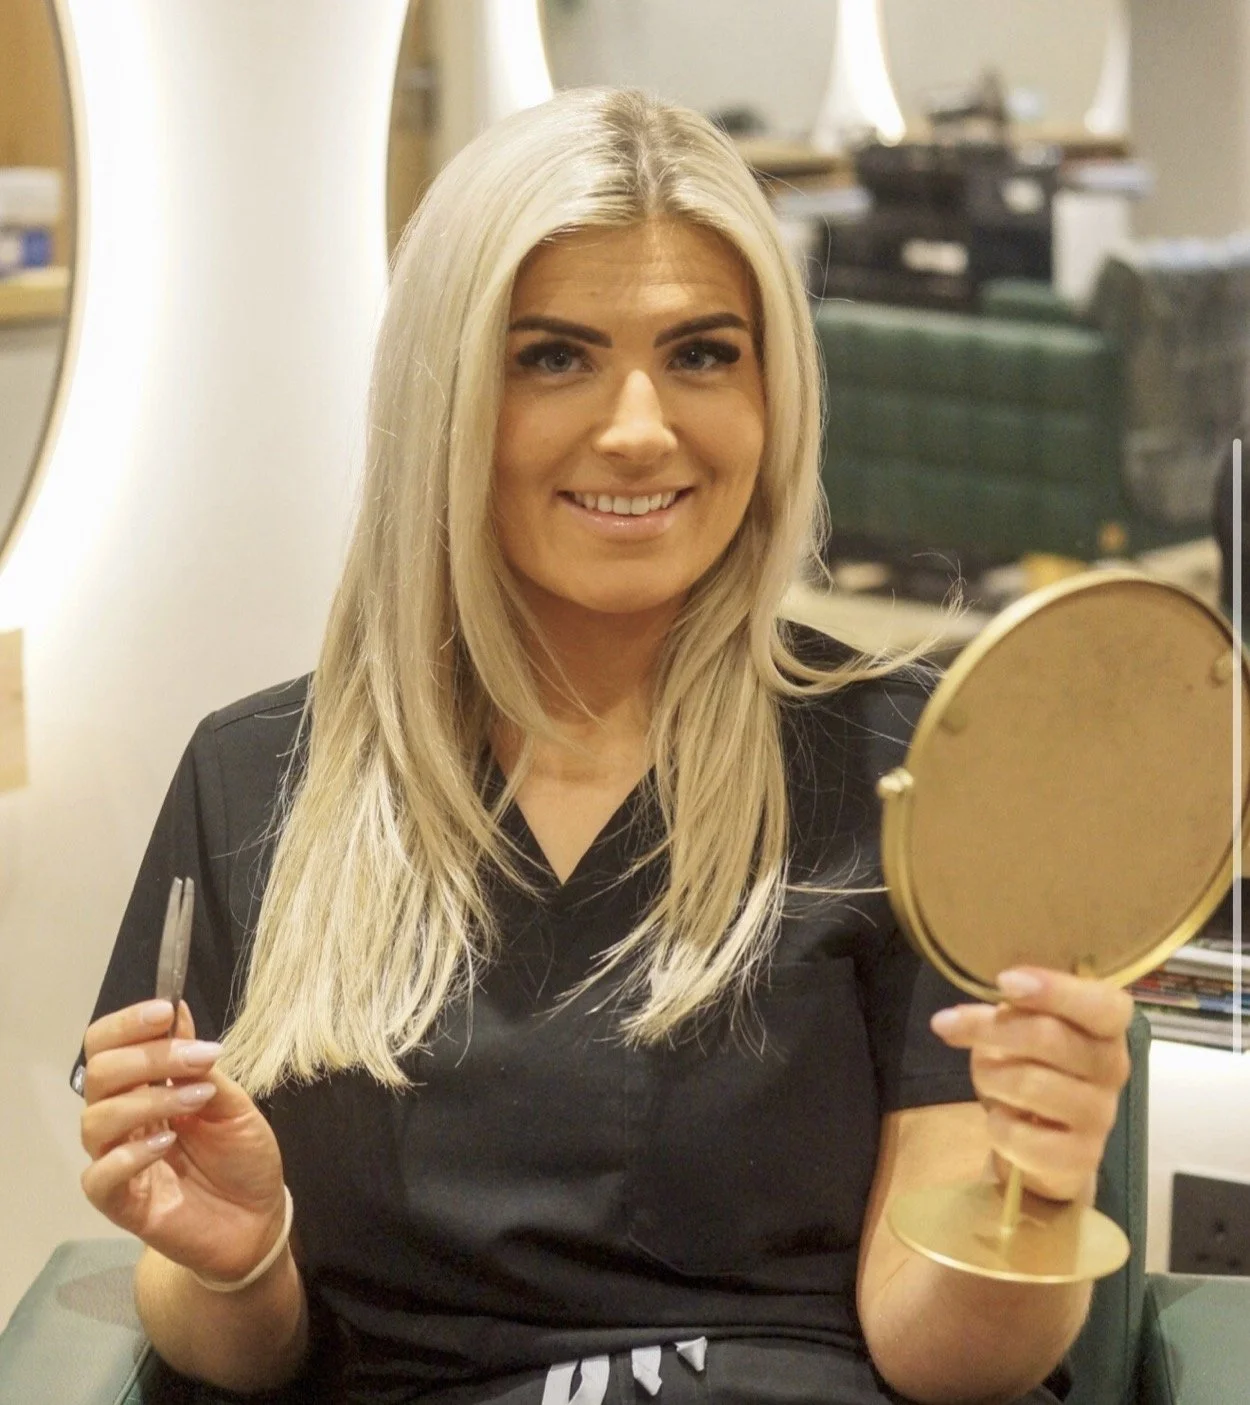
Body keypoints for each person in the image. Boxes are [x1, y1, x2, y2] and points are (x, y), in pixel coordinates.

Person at [73, 87, 1132, 1405]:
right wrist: (237, 1261)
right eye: (552, 355)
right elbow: (236, 1351)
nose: (640, 427)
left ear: (772, 389)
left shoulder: (912, 762)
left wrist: (1034, 1190)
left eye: (701, 354)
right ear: (446, 396)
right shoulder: (257, 781)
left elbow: (948, 1362)